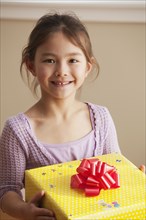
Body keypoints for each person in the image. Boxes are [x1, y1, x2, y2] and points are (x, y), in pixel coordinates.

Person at [0, 12, 144, 220]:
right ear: (31, 65)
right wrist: (24, 210)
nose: (61, 71)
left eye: (73, 60)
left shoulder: (101, 118)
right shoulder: (17, 130)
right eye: (49, 60)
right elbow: (6, 190)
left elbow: (114, 171)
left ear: (87, 67)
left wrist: (135, 179)